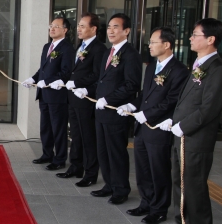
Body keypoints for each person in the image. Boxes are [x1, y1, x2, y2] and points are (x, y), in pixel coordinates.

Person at [158, 18, 222, 224]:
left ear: (210, 39)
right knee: (180, 182)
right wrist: (174, 120)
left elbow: (209, 109)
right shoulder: (199, 63)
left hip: (196, 139)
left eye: (195, 34)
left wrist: (184, 126)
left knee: (195, 187)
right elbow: (189, 101)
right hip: (182, 135)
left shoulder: (218, 69)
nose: (190, 38)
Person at [117, 28, 189, 224]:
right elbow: (145, 94)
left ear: (166, 45)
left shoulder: (179, 70)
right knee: (142, 168)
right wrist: (132, 105)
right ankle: (146, 202)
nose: (149, 45)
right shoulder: (151, 67)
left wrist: (146, 114)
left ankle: (159, 208)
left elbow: (172, 101)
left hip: (159, 129)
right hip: (142, 128)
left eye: (153, 42)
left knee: (159, 170)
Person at [76, 13, 141, 205]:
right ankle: (109, 185)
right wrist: (87, 89)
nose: (111, 31)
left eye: (116, 27)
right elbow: (101, 80)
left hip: (115, 111)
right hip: (101, 111)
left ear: (126, 31)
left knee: (116, 151)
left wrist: (108, 99)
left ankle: (121, 189)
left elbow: (131, 84)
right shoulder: (108, 52)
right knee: (102, 150)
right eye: (110, 27)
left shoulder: (130, 54)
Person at [60, 12, 107, 186]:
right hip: (73, 98)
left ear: (93, 29)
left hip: (86, 98)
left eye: (82, 26)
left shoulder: (99, 49)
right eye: (78, 25)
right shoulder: (80, 46)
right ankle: (76, 166)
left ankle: (90, 172)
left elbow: (97, 75)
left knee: (88, 137)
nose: (78, 29)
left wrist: (77, 82)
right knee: (76, 135)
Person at [22, 17, 74, 170]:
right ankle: (47, 154)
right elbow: (43, 70)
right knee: (45, 127)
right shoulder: (47, 46)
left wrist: (48, 81)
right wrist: (33, 78)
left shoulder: (67, 48)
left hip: (57, 96)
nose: (52, 29)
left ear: (65, 30)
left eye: (56, 26)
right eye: (51, 26)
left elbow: (66, 72)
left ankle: (60, 159)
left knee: (58, 128)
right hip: (44, 94)